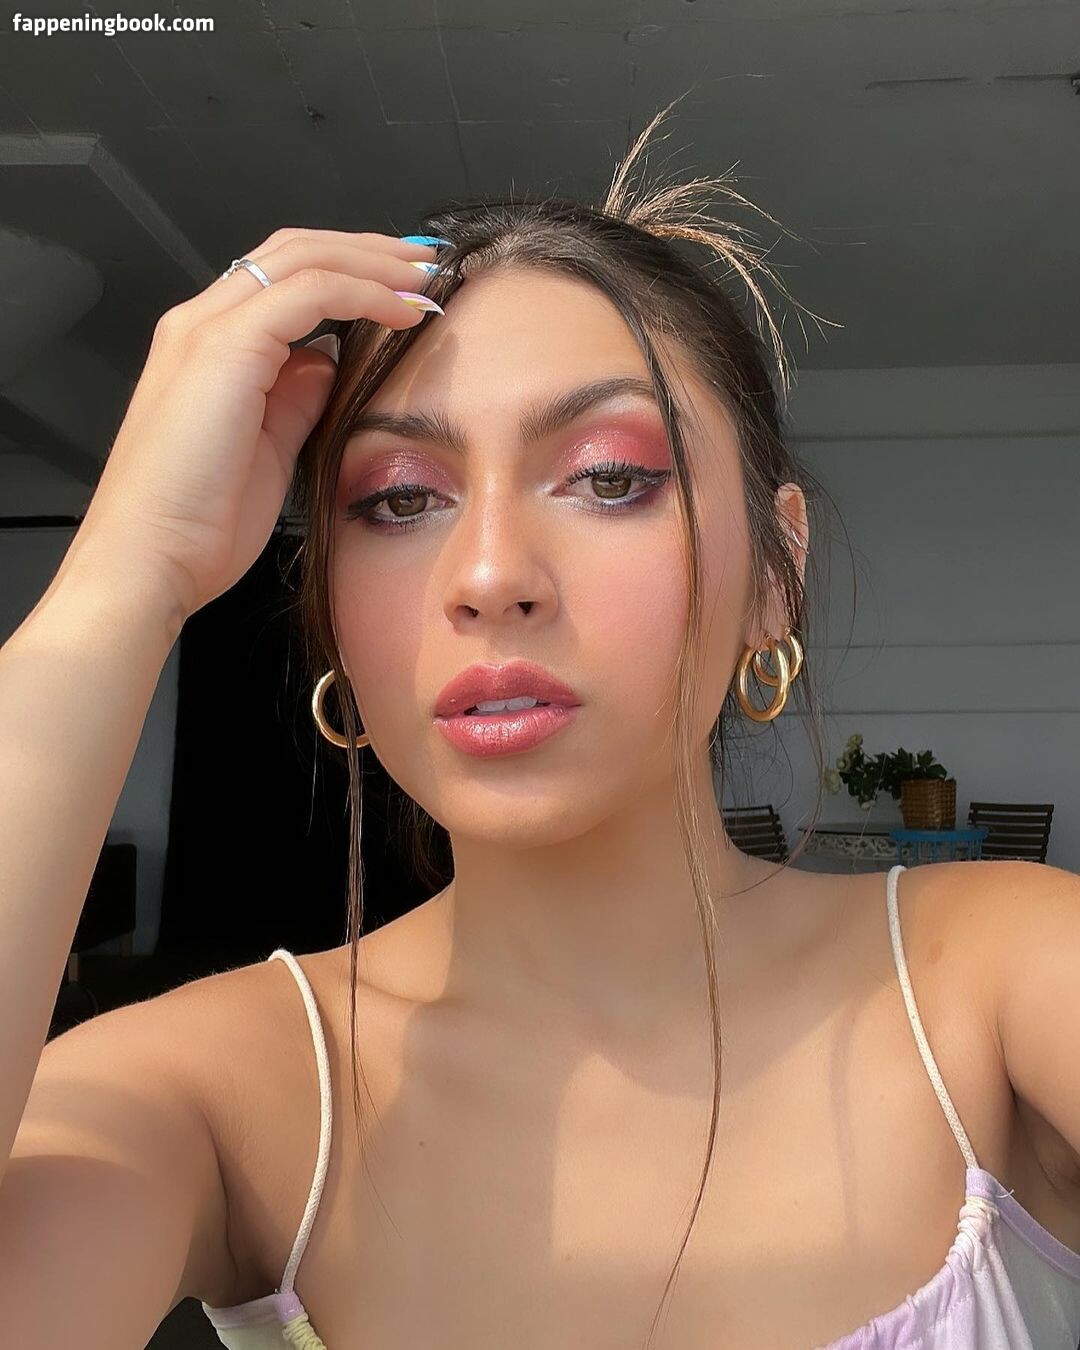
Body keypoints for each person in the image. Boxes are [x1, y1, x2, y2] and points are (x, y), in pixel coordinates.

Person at [1, 104, 1078, 1350]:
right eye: (397, 499)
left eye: (609, 478)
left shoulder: (997, 978)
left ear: (775, 572)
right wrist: (126, 576)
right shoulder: (213, 1089)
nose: (489, 574)